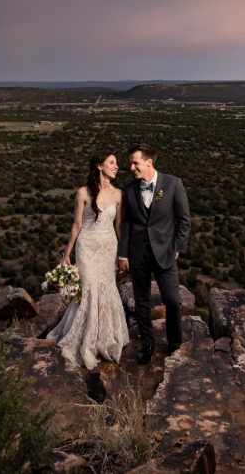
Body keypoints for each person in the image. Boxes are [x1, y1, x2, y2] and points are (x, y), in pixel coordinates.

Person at [46, 150, 130, 369]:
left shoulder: (119, 194)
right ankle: (85, 339)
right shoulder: (82, 193)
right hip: (86, 247)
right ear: (99, 166)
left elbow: (120, 228)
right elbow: (77, 225)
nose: (117, 166)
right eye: (112, 162)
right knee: (89, 288)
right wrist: (66, 255)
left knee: (107, 288)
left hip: (108, 248)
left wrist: (123, 255)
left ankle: (105, 337)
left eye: (117, 163)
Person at [117, 143, 191, 365]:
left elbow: (184, 220)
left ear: (149, 162)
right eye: (131, 162)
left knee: (172, 300)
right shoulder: (130, 189)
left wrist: (177, 247)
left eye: (135, 162)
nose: (131, 167)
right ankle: (147, 344)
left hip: (166, 254)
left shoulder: (173, 184)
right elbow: (127, 224)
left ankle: (175, 344)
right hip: (138, 254)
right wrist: (123, 255)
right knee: (141, 301)